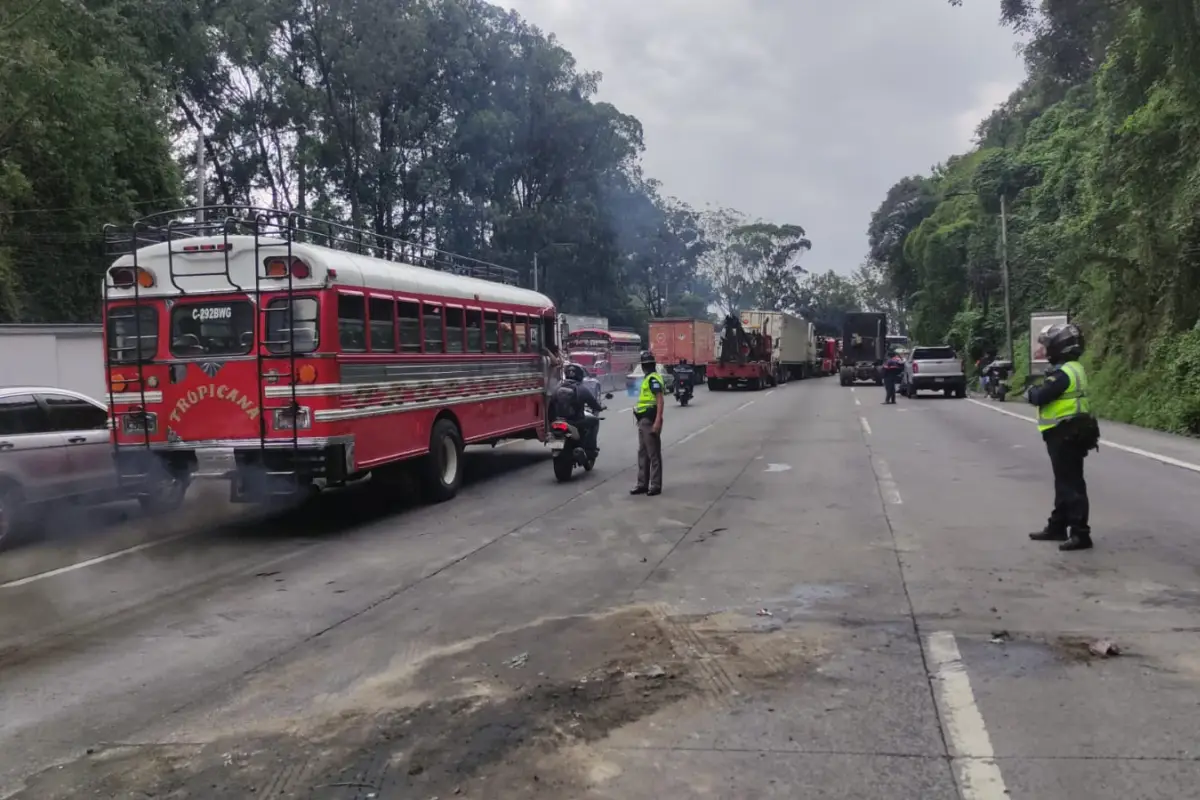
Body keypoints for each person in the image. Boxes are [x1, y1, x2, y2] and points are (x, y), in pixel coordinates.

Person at [1025, 323, 1100, 551]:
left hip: (1066, 432)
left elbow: (1040, 396)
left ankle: (1080, 533)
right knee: (1064, 482)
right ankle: (1057, 526)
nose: (1045, 350)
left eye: (1048, 346)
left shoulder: (1063, 373)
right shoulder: (1072, 368)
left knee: (1071, 484)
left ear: (1060, 348)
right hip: (1068, 430)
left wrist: (1031, 391)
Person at [631, 350, 665, 496]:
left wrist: (658, 420)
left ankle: (655, 485)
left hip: (649, 419)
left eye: (647, 365)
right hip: (642, 419)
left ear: (651, 365)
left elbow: (660, 399)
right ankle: (642, 484)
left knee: (653, 453)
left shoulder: (653, 379)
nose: (646, 367)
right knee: (643, 453)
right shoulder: (647, 378)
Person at [551, 363, 602, 455]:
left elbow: (550, 405)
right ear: (580, 375)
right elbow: (594, 404)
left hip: (557, 421)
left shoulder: (557, 387)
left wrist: (552, 420)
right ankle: (590, 450)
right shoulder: (581, 388)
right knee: (595, 421)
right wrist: (600, 408)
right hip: (576, 421)